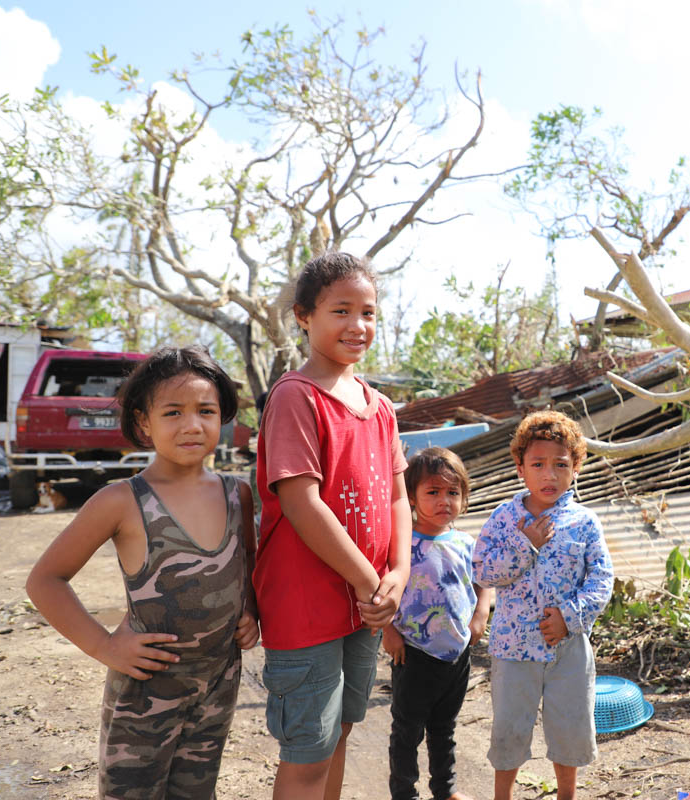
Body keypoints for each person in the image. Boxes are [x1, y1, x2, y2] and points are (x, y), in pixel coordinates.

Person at [26, 345, 258, 799]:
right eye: (173, 412)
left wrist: (249, 610)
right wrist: (106, 646)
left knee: (197, 792)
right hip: (144, 700)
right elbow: (45, 580)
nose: (192, 424)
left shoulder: (239, 495)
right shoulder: (122, 500)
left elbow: (244, 566)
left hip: (217, 688)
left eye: (206, 410)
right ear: (143, 423)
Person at [253, 251, 411, 800]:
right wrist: (373, 583)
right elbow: (301, 503)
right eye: (341, 310)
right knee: (307, 752)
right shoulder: (296, 398)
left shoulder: (381, 406)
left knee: (340, 730)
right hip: (308, 605)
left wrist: (400, 572)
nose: (358, 326)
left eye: (368, 313)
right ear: (303, 316)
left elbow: (397, 496)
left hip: (365, 607)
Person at [472, 410, 614, 800]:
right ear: (520, 468)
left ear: (576, 468)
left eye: (560, 465)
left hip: (567, 650)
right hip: (513, 649)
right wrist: (525, 545)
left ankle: (566, 794)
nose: (549, 475)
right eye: (538, 464)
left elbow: (602, 580)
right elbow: (483, 571)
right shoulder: (504, 519)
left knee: (569, 728)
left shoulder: (585, 522)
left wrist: (569, 618)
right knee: (509, 730)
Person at [382, 447, 491, 800]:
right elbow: (377, 590)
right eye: (433, 492)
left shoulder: (464, 543)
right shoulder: (400, 545)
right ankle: (404, 793)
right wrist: (388, 631)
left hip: (457, 655)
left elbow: (483, 581)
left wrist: (480, 615)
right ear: (411, 496)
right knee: (407, 732)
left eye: (452, 493)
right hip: (413, 654)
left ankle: (445, 791)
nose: (444, 501)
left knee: (444, 728)